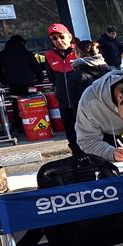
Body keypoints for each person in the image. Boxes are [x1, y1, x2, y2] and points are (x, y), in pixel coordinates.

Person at [44, 23, 84, 152]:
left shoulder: (79, 51)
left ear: (69, 36)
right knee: (70, 132)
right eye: (54, 38)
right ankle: (76, 154)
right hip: (64, 102)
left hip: (81, 100)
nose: (59, 41)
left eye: (61, 37)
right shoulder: (49, 56)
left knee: (85, 129)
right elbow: (52, 78)